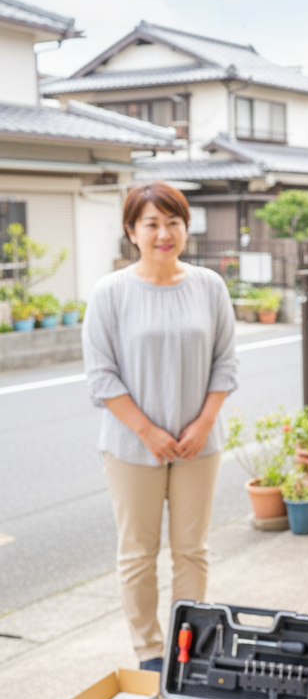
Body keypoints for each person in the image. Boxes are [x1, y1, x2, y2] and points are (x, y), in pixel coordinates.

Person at [83, 182, 237, 671]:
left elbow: (225, 364)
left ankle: (187, 647)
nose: (164, 233)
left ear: (186, 229)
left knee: (192, 550)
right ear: (132, 231)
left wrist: (202, 424)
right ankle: (150, 651)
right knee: (138, 552)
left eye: (173, 222)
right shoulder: (110, 292)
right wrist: (149, 433)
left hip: (199, 444)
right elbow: (101, 376)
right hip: (131, 449)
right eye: (151, 223)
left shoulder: (209, 286)